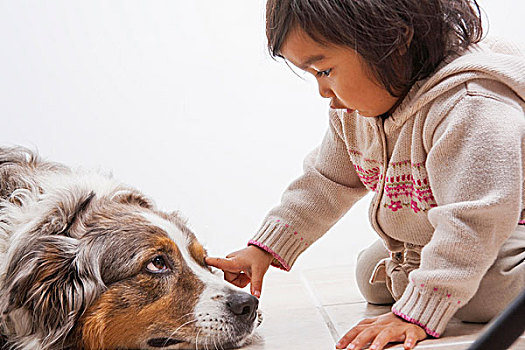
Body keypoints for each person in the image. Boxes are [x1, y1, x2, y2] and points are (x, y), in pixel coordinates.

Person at [205, 0, 525, 349]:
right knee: (370, 274)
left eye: (324, 71)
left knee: (485, 295)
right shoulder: (355, 109)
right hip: (450, 229)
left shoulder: (470, 103)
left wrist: (417, 313)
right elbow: (326, 181)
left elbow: (474, 221)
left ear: (394, 41)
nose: (323, 92)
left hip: (504, 227)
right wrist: (264, 249)